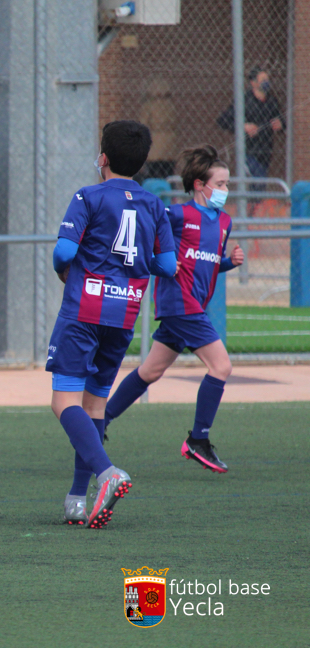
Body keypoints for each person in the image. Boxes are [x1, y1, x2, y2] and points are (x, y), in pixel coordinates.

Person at [47, 120, 177, 529]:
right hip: (123, 315)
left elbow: (63, 251)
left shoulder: (88, 195)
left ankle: (107, 473)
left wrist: (67, 267)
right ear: (141, 164)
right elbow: (168, 264)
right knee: (94, 405)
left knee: (64, 402)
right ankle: (76, 499)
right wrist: (135, 264)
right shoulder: (154, 204)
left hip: (84, 311)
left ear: (102, 158)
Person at [104, 146, 244, 473]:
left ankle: (100, 419)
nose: (225, 190)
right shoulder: (179, 215)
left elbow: (208, 263)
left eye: (227, 184)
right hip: (180, 304)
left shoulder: (224, 222)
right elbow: (143, 233)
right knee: (221, 366)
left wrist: (229, 262)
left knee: (150, 372)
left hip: (190, 307)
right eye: (220, 184)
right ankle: (198, 439)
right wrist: (157, 260)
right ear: (199, 185)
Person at [216, 68, 284, 179]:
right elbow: (223, 120)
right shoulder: (244, 100)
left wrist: (280, 124)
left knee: (259, 182)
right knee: (257, 179)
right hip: (248, 150)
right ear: (253, 83)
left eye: (267, 80)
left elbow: (282, 121)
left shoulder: (272, 101)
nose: (266, 82)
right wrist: (243, 126)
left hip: (266, 151)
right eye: (263, 80)